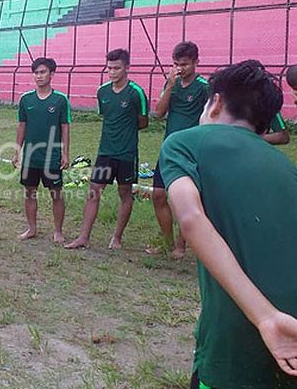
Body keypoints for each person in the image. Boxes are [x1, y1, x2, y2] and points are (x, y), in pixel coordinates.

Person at [160, 60, 297, 388]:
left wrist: (265, 316)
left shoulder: (184, 143)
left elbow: (191, 218)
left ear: (216, 102)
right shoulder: (286, 167)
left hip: (238, 341)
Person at [65, 49, 149, 250]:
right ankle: (83, 237)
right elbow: (107, 116)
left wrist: (127, 131)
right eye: (109, 68)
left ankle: (117, 237)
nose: (112, 72)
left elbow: (143, 122)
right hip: (105, 152)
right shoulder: (102, 92)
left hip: (127, 153)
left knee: (125, 193)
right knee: (94, 190)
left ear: (127, 68)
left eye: (117, 68)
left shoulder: (136, 92)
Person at [149, 42, 209, 259]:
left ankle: (181, 247)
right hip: (169, 148)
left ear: (196, 63)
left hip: (190, 152)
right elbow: (158, 112)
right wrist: (170, 86)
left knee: (181, 199)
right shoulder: (171, 83)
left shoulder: (204, 87)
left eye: (184, 64)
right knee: (158, 195)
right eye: (176, 64)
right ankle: (167, 241)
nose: (180, 68)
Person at [12, 57, 71, 243]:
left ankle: (58, 231)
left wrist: (65, 153)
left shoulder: (60, 100)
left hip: (51, 156)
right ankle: (31, 228)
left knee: (56, 193)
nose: (39, 76)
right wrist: (17, 150)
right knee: (30, 192)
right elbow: (22, 125)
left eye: (43, 72)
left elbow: (65, 127)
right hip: (31, 156)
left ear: (51, 74)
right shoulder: (26, 99)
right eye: (36, 72)